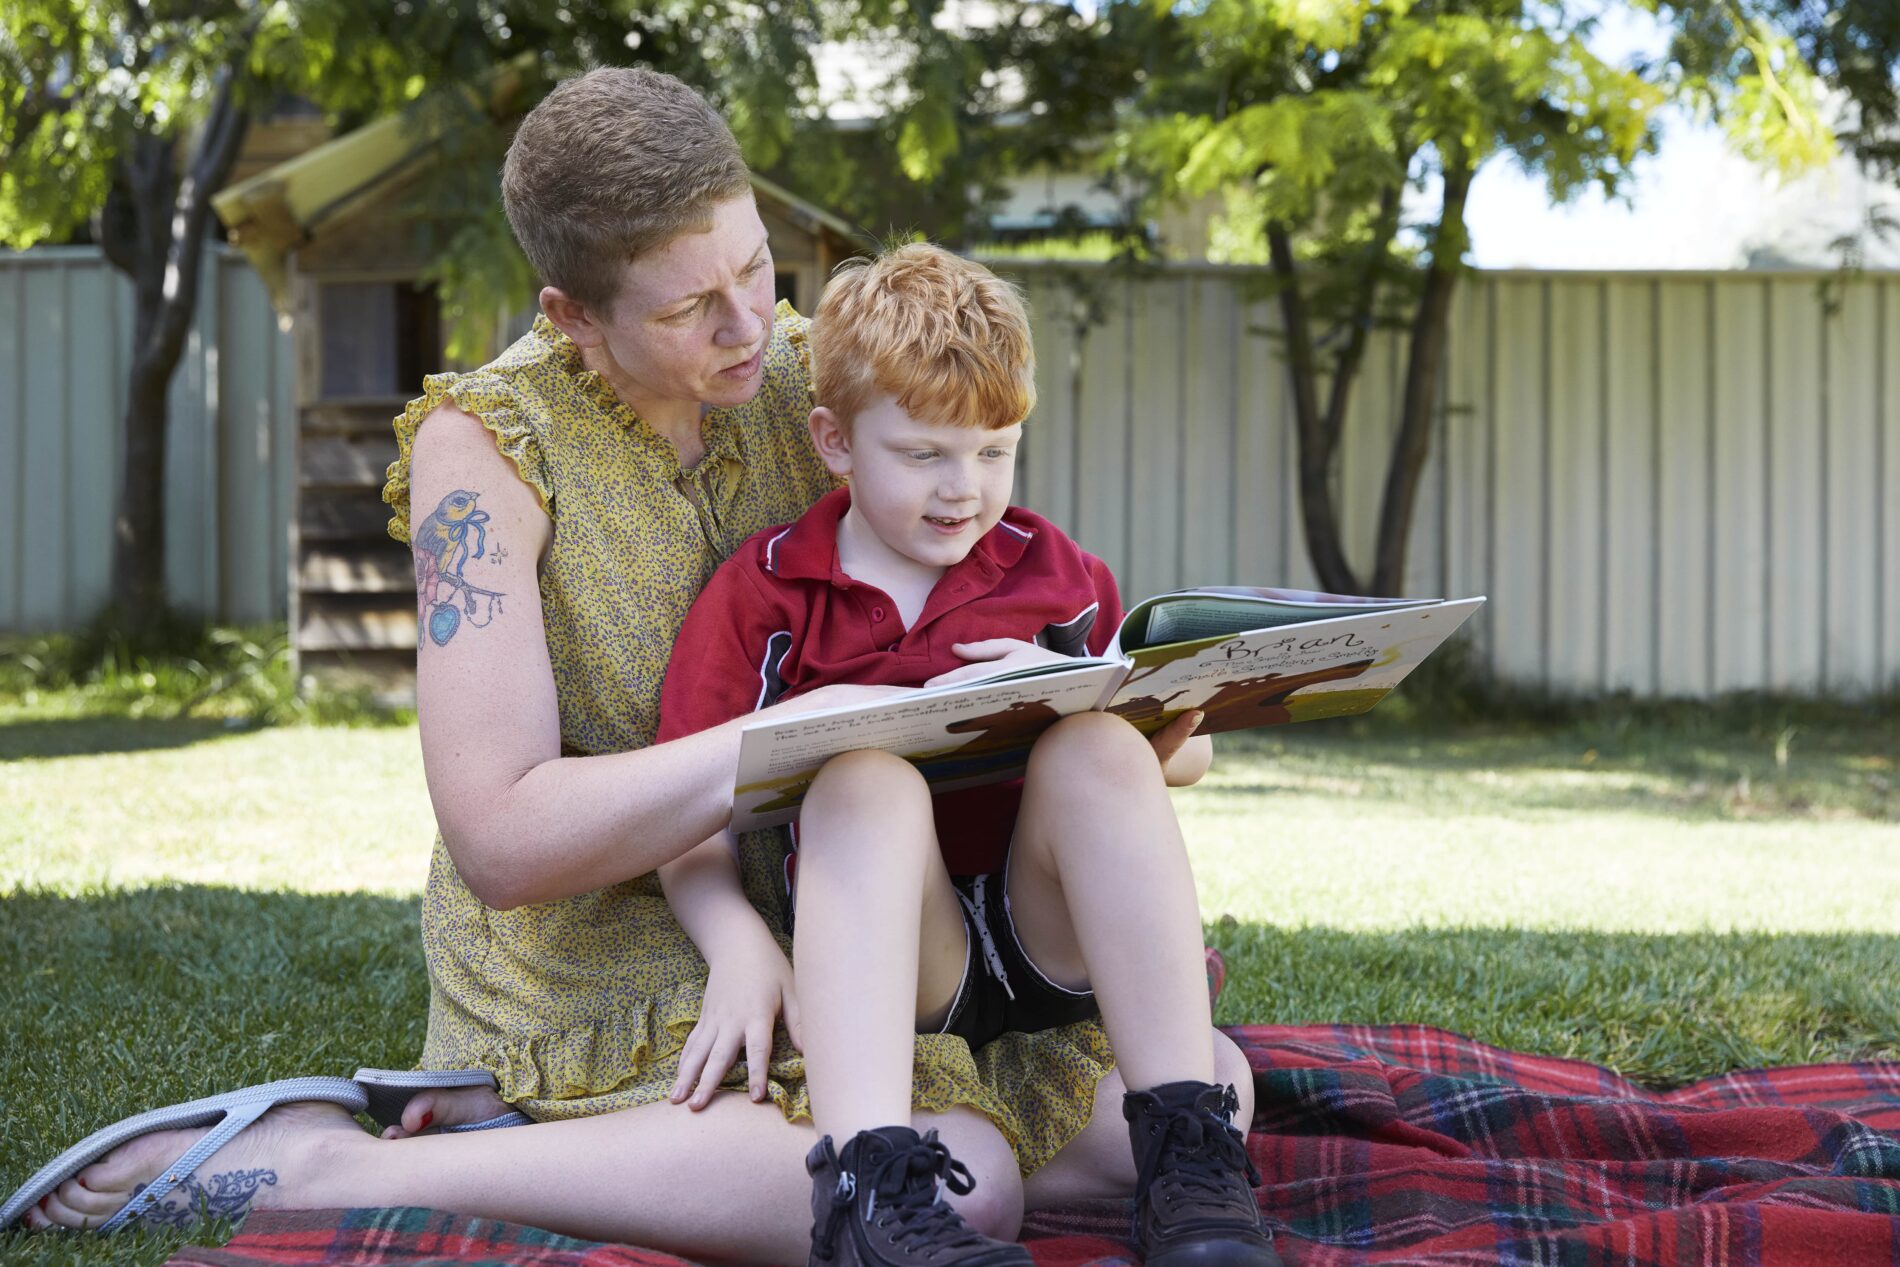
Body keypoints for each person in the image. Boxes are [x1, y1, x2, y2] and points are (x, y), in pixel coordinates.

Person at [4, 67, 1259, 1262]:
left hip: (869, 906)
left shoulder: (802, 376)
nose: (749, 324)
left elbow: (976, 497)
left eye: (757, 264)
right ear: (573, 315)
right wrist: (828, 737)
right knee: (968, 1184)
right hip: (605, 937)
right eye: (684, 307)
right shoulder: (488, 451)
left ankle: (681, 1151)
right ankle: (354, 1169)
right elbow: (502, 838)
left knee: (1215, 1087)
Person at [652, 243, 1279, 1267]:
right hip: (908, 968)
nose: (963, 490)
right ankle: (866, 1185)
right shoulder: (764, 596)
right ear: (836, 441)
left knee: (1097, 752)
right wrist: (735, 944)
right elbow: (683, 816)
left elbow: (1179, 764)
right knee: (862, 777)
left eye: (994, 452)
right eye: (924, 454)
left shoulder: (1055, 573)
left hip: (1049, 945)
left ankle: (1188, 1169)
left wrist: (1144, 733)